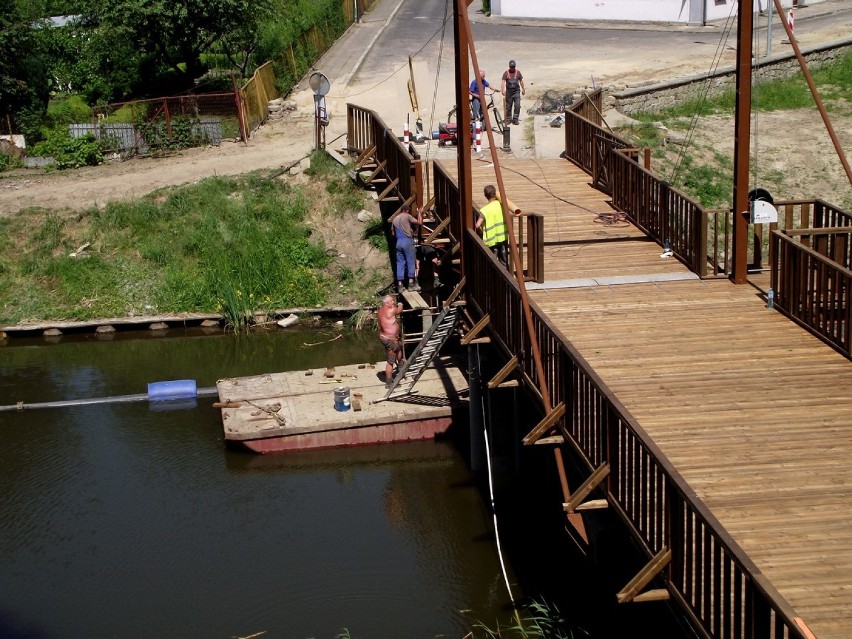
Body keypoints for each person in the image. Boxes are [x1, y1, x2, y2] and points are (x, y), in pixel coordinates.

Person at [475, 184, 514, 268]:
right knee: (504, 258)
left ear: (485, 196)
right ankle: (506, 276)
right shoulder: (502, 205)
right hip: (503, 236)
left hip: (491, 239)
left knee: (492, 260)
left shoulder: (484, 210)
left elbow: (477, 225)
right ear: (495, 194)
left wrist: (481, 230)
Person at [391, 204, 421, 292]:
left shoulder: (395, 219)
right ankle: (411, 284)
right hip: (407, 241)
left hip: (398, 242)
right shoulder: (407, 216)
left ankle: (400, 285)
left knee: (400, 262)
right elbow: (419, 222)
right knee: (410, 261)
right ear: (407, 210)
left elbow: (393, 233)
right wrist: (420, 213)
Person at [378, 295, 404, 386]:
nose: (393, 302)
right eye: (391, 301)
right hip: (390, 339)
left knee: (399, 349)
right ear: (386, 303)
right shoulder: (391, 310)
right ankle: (389, 381)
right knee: (390, 361)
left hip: (386, 337)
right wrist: (400, 304)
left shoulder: (381, 309)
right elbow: (399, 309)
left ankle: (401, 366)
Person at [501, 60, 525, 126]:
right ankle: (508, 119)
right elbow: (503, 81)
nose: (512, 68)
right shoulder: (506, 73)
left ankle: (515, 119)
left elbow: (521, 81)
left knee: (517, 106)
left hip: (516, 92)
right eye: (511, 67)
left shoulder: (518, 73)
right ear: (509, 66)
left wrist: (523, 89)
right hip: (509, 92)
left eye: (513, 66)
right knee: (508, 107)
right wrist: (502, 90)